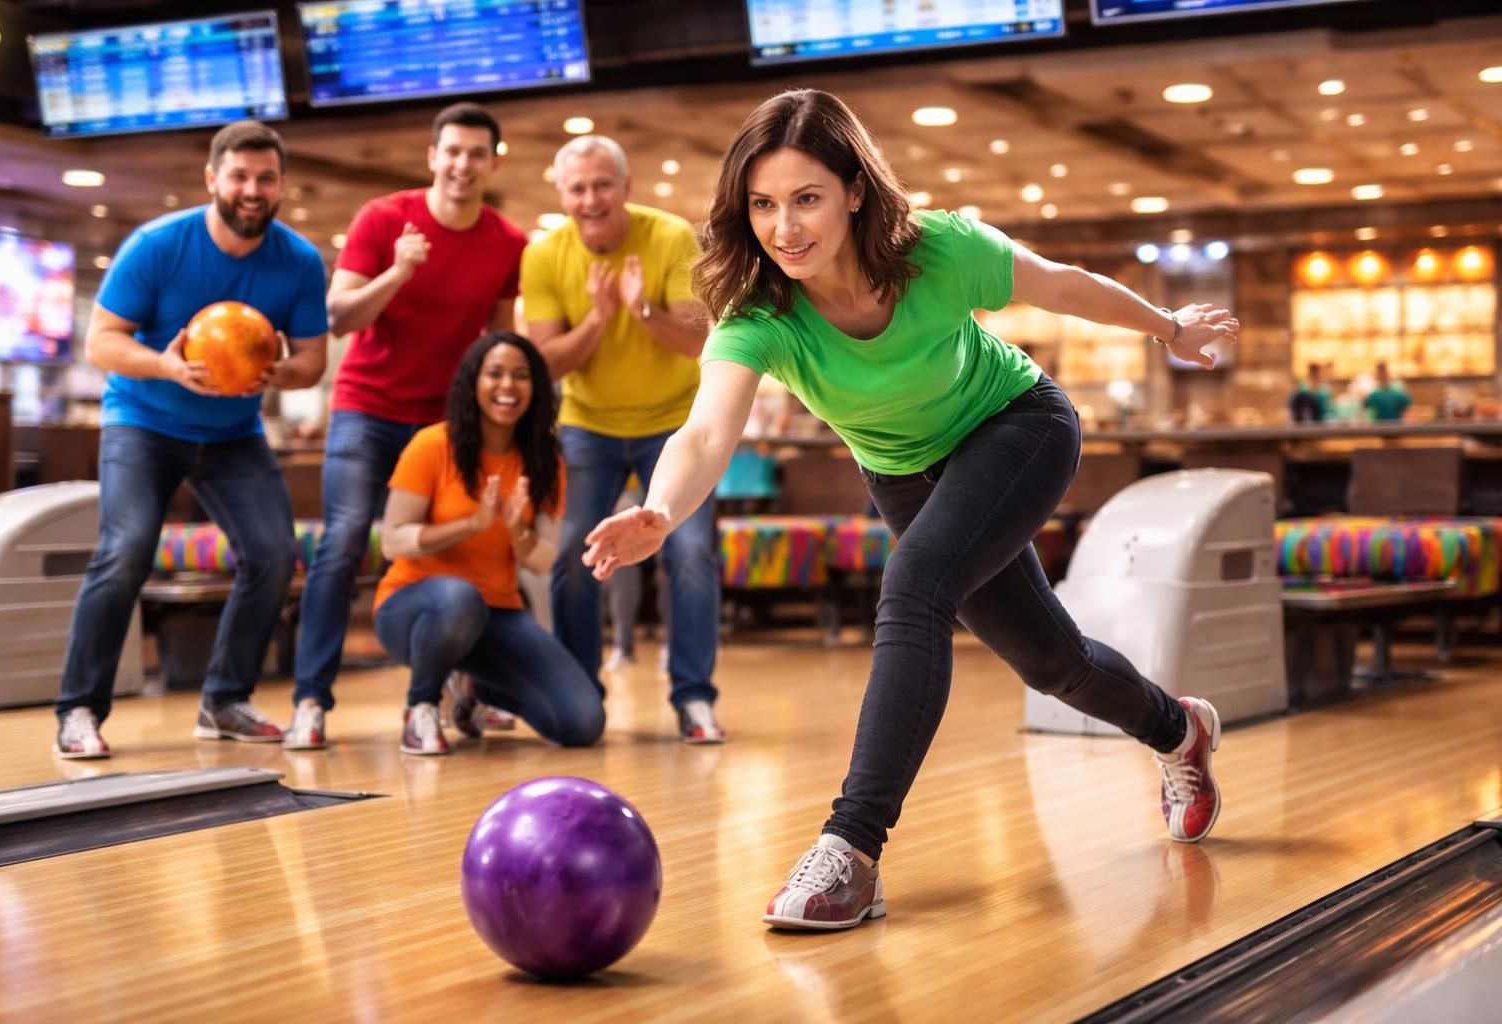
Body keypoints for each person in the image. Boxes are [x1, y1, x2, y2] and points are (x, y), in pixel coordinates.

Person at [582, 90, 1241, 929]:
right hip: (903, 473)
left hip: (1018, 426)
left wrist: (1166, 326)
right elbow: (707, 430)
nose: (785, 227)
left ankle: (850, 850)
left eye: (807, 197)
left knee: (915, 585)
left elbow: (1059, 285)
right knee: (1051, 661)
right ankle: (1177, 729)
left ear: (856, 189)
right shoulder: (760, 312)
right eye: (763, 204)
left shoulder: (938, 248)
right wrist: (662, 508)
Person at [53, 121, 328, 758]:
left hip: (233, 432)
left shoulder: (299, 261)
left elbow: (313, 357)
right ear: (212, 180)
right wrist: (169, 366)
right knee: (124, 551)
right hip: (144, 421)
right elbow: (102, 342)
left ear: (281, 184)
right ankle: (78, 711)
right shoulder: (158, 245)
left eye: (265, 178)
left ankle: (224, 699)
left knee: (271, 554)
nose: (252, 190)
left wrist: (278, 372)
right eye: (239, 176)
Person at [289, 103, 528, 750]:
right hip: (368, 410)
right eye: (452, 151)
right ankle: (310, 699)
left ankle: (441, 694)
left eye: (477, 153)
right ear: (432, 156)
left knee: (458, 547)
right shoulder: (383, 219)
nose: (463, 164)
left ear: (493, 162)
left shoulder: (508, 242)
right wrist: (399, 271)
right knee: (342, 544)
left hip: (444, 423)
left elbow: (499, 342)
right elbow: (337, 316)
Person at [522, 134, 725, 743]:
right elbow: (547, 364)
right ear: (562, 194)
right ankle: (580, 694)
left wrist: (640, 312)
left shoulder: (668, 238)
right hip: (590, 425)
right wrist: (598, 318)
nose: (591, 198)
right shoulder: (544, 256)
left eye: (602, 184)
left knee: (689, 555)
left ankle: (693, 699)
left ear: (625, 187)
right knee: (573, 557)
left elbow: (699, 341)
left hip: (674, 424)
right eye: (578, 188)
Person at [374, 332, 604, 755]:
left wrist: (517, 529)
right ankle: (421, 705)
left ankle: (475, 691)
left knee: (582, 722)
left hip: (496, 615)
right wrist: (473, 523)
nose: (507, 386)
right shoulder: (431, 446)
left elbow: (542, 560)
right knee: (460, 598)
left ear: (535, 388)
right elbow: (393, 540)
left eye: (521, 376)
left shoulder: (545, 461)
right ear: (473, 382)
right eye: (495, 374)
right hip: (412, 608)